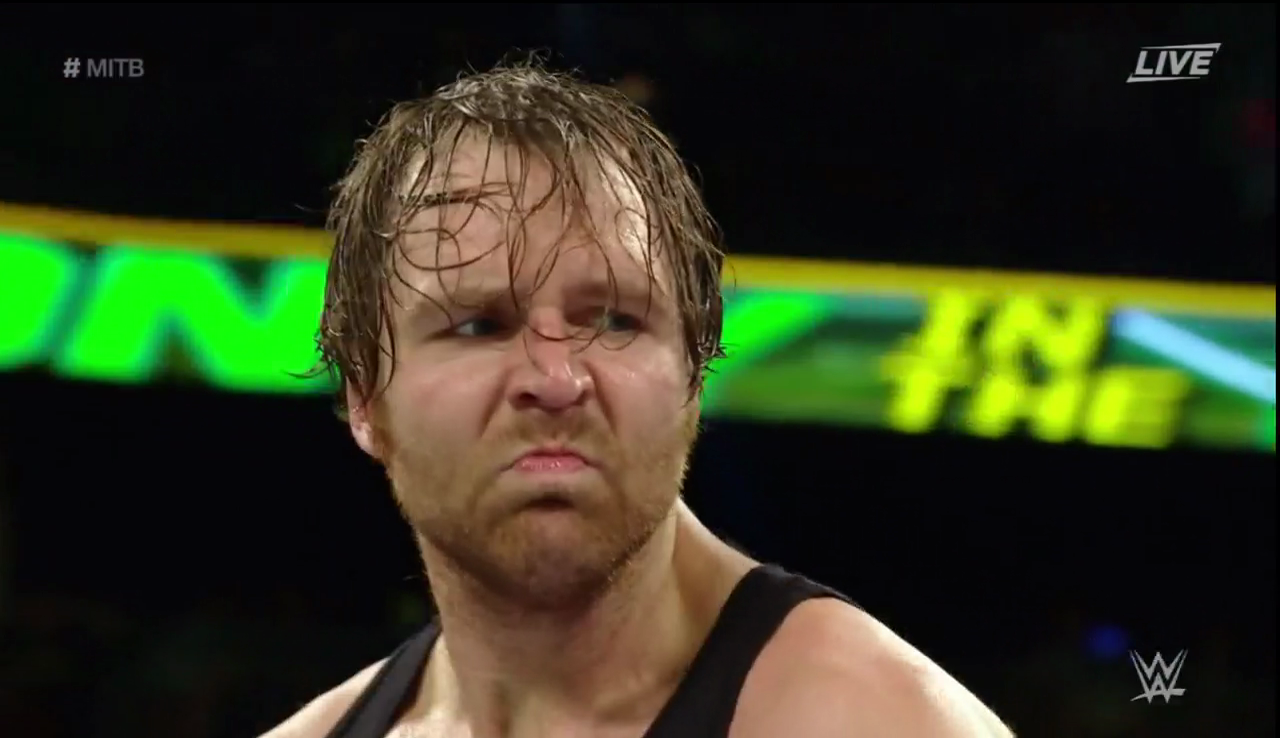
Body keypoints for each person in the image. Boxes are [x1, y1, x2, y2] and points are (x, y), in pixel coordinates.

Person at [263, 63, 1014, 738]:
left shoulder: (880, 722)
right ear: (364, 397)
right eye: (478, 325)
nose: (556, 379)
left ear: (695, 370)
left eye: (615, 320)